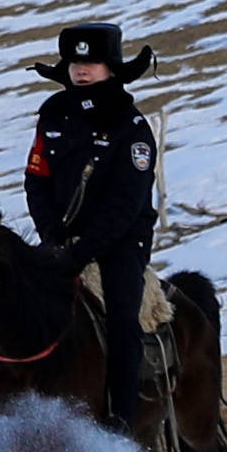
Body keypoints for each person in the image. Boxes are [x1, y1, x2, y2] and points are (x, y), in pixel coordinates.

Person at [23, 18, 162, 376]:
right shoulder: (52, 116)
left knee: (121, 319)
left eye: (91, 63)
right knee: (8, 301)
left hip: (120, 243)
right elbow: (37, 180)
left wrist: (82, 253)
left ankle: (120, 420)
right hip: (60, 237)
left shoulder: (132, 128)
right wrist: (51, 234)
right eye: (75, 63)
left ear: (111, 68)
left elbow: (126, 205)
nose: (82, 71)